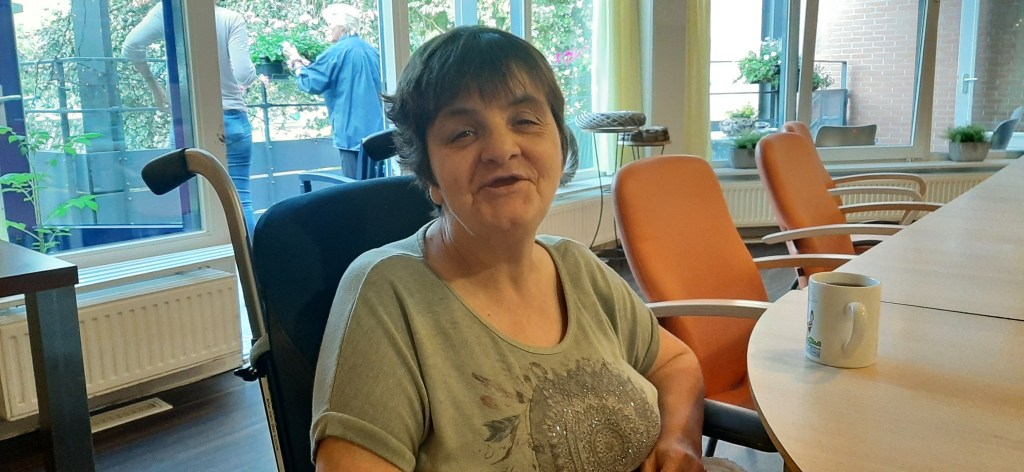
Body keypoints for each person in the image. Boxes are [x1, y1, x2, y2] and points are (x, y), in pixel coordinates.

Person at [311, 26, 707, 472]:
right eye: (463, 133)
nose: (501, 149)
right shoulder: (387, 293)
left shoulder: (578, 266)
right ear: (429, 175)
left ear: (559, 145)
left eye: (525, 121)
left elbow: (675, 362)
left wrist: (679, 441)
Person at [122, 2, 259, 234]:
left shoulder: (168, 12)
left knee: (194, 205)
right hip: (231, 119)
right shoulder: (230, 18)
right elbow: (244, 74)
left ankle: (205, 253)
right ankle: (249, 257)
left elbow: (132, 46)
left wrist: (155, 87)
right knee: (240, 199)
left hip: (187, 121)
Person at [282, 3, 384, 179]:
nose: (327, 29)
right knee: (377, 185)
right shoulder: (374, 52)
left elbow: (311, 82)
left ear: (342, 27)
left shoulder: (337, 52)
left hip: (351, 136)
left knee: (355, 189)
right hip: (379, 134)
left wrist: (296, 63)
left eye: (330, 24)